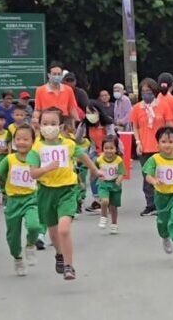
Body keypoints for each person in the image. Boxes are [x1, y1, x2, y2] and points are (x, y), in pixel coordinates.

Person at [31, 108, 101, 280]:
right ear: (39, 126)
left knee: (63, 229)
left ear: (60, 125)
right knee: (53, 232)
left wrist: (95, 170)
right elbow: (33, 173)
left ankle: (69, 266)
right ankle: (59, 255)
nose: (49, 127)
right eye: (45, 124)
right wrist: (46, 168)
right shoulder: (37, 147)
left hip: (67, 190)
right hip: (46, 192)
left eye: (53, 124)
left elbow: (82, 156)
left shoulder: (68, 144)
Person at [0, 124, 42, 276]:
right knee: (13, 236)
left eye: (26, 139)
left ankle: (31, 244)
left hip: (31, 199)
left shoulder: (36, 159)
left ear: (33, 141)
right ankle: (18, 258)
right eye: (18, 139)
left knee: (34, 226)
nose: (21, 142)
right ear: (13, 141)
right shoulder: (9, 158)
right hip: (12, 201)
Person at [142, 126, 173, 260]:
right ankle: (165, 236)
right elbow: (147, 175)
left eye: (170, 142)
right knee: (163, 222)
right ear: (158, 144)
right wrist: (154, 180)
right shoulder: (155, 159)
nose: (167, 145)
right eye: (163, 142)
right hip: (161, 196)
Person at [130, 78, 173, 216]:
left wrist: (171, 143)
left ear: (154, 91)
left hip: (161, 147)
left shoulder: (163, 105)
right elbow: (135, 126)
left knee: (162, 176)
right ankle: (150, 204)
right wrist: (137, 142)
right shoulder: (137, 108)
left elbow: (169, 124)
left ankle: (165, 202)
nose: (146, 94)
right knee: (147, 177)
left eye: (148, 91)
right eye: (143, 92)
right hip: (145, 147)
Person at [76, 100, 117, 212]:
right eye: (88, 112)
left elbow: (113, 138)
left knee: (108, 177)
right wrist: (81, 128)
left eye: (92, 112)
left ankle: (109, 198)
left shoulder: (107, 123)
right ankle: (98, 200)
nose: (90, 115)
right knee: (93, 175)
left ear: (99, 111)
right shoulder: (85, 124)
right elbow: (77, 139)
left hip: (109, 152)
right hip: (94, 152)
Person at [33, 61, 80, 127]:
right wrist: (35, 119)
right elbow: (38, 109)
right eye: (54, 74)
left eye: (59, 74)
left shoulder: (68, 90)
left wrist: (78, 122)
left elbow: (72, 109)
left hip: (64, 122)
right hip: (47, 122)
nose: (57, 76)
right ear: (49, 75)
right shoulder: (40, 90)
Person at [96, 135, 125, 234]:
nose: (109, 151)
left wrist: (119, 180)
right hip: (103, 184)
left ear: (116, 149)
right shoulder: (99, 159)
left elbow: (122, 173)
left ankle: (114, 224)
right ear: (103, 148)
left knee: (113, 207)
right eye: (106, 148)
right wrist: (97, 175)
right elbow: (95, 170)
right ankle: (103, 216)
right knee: (104, 201)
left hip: (115, 185)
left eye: (111, 148)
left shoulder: (118, 160)